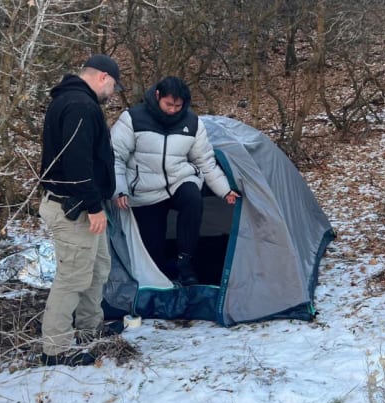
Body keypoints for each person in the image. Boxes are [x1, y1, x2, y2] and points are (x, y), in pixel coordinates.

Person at [111, 76, 239, 286]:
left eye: (178, 106)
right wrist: (120, 189)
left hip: (179, 180)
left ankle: (185, 261)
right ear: (158, 96)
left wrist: (225, 190)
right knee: (153, 247)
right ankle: (162, 274)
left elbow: (204, 160)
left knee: (193, 198)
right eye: (169, 104)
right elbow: (115, 155)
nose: (172, 110)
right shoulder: (133, 119)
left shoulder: (192, 122)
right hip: (145, 189)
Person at [38, 54, 123, 366]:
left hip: (85, 206)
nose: (112, 93)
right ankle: (55, 349)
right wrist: (92, 205)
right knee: (73, 277)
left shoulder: (74, 101)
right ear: (102, 76)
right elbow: (76, 164)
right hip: (74, 209)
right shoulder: (80, 106)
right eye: (113, 85)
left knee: (98, 267)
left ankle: (89, 328)